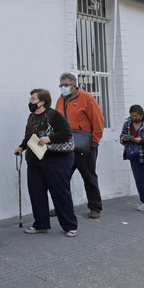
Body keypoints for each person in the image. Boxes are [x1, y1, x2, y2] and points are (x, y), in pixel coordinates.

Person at [16, 89, 79, 237]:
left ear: (42, 102)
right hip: (35, 159)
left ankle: (70, 226)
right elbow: (29, 136)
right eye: (30, 98)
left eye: (33, 99)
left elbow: (66, 133)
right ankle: (40, 224)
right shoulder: (31, 117)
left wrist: (49, 139)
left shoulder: (53, 115)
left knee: (60, 193)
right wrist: (21, 147)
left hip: (55, 160)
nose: (30, 102)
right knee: (36, 192)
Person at [55, 73, 105, 219]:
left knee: (89, 177)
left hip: (85, 145)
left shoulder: (87, 98)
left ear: (74, 85)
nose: (63, 88)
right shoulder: (61, 100)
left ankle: (95, 207)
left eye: (65, 85)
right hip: (66, 145)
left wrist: (95, 141)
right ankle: (62, 206)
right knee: (62, 178)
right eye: (61, 85)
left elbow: (98, 120)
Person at [120, 105, 144, 213]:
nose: (134, 118)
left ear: (141, 115)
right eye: (132, 116)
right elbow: (121, 137)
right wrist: (125, 139)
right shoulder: (127, 124)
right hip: (134, 155)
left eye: (136, 116)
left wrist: (141, 140)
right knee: (138, 179)